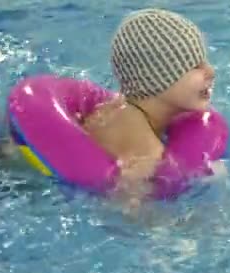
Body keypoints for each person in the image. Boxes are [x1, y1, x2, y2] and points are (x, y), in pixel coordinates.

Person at [82, 8, 218, 203]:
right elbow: (130, 211)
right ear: (157, 79)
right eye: (195, 66)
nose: (211, 71)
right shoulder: (144, 148)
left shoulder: (119, 107)